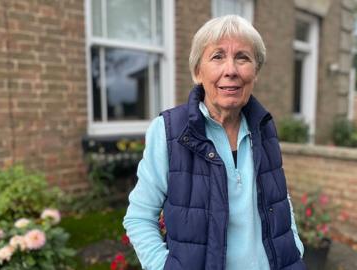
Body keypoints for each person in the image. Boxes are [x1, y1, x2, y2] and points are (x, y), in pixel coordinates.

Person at [124, 15, 306, 270]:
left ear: (256, 72)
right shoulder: (169, 132)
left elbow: (279, 198)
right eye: (217, 56)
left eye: (243, 57)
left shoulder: (264, 126)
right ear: (198, 71)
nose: (231, 70)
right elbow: (139, 217)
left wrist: (295, 248)